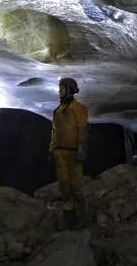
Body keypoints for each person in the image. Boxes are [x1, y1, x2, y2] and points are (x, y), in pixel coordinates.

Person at [49, 77, 88, 227]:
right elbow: (54, 132)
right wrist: (51, 150)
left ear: (70, 90)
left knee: (76, 187)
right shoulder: (58, 111)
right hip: (60, 153)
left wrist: (81, 150)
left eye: (62, 88)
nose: (59, 91)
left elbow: (82, 130)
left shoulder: (78, 108)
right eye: (60, 89)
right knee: (64, 186)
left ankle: (82, 217)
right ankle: (69, 219)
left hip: (73, 152)